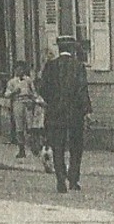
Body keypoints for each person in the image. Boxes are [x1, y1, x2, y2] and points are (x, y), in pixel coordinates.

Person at [37, 38, 91, 193]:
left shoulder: (50, 66)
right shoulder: (78, 66)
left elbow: (43, 89)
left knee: (58, 147)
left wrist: (52, 102)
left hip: (55, 114)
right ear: (73, 49)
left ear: (59, 49)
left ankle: (61, 180)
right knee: (76, 147)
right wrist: (86, 110)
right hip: (75, 114)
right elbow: (82, 90)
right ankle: (73, 180)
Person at [2, 61, 38, 161]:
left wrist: (34, 100)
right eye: (18, 69)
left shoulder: (28, 80)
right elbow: (6, 94)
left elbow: (34, 92)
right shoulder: (12, 82)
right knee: (19, 126)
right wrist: (14, 92)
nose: (20, 71)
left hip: (27, 102)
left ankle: (33, 145)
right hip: (17, 102)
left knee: (30, 125)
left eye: (21, 69)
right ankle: (21, 149)